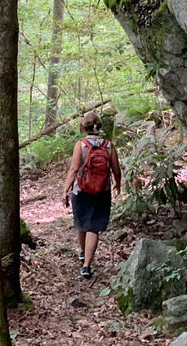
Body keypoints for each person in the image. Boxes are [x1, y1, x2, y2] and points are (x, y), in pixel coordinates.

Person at [62, 110, 122, 279]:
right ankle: (87, 265)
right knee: (93, 228)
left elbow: (74, 169)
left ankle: (83, 254)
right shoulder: (109, 146)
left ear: (84, 127)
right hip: (102, 190)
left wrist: (65, 189)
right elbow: (116, 170)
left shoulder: (80, 145)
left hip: (80, 190)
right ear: (99, 127)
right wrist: (118, 185)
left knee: (81, 223)